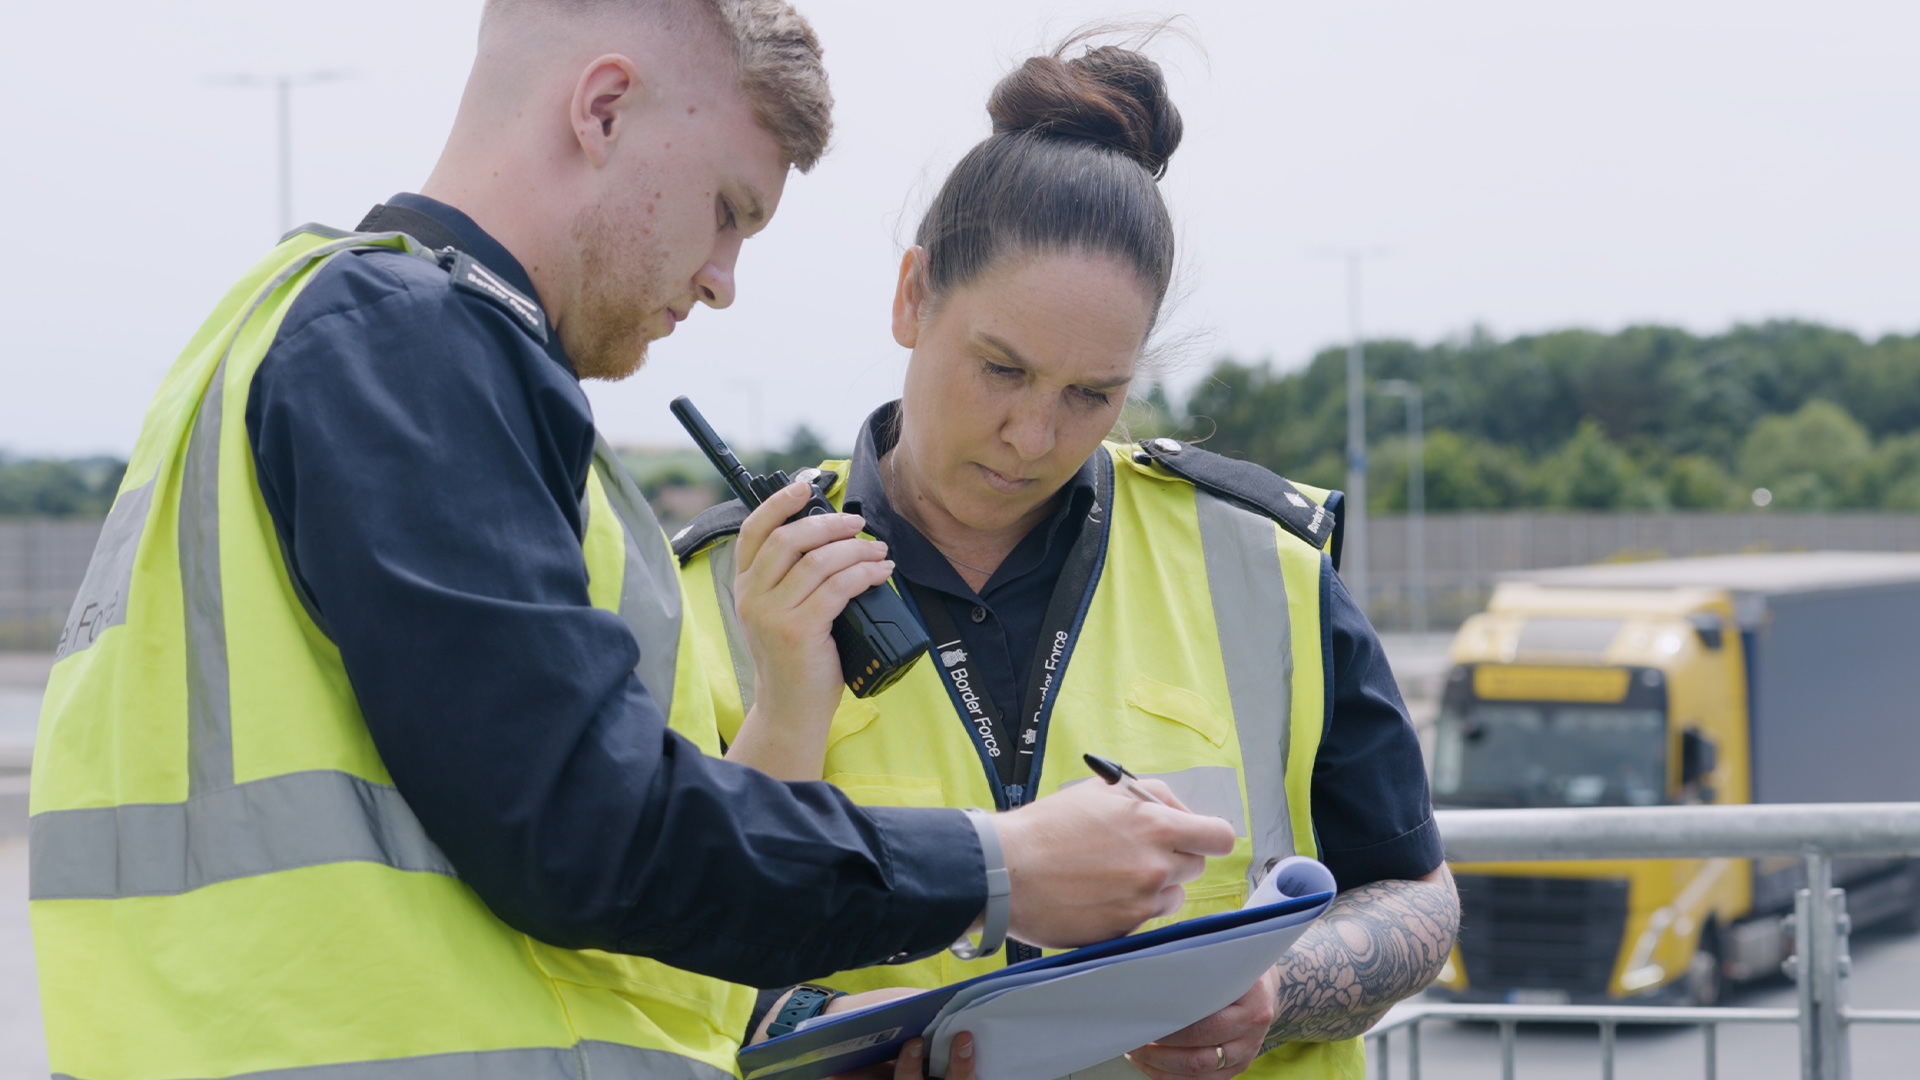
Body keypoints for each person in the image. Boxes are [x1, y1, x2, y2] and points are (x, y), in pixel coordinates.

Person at [27, 3, 1238, 1078]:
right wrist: (996, 866)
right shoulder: (408, 344)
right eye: (728, 209)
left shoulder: (282, 331)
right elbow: (583, 830)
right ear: (603, 107)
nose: (721, 281)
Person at [674, 36, 1462, 1077]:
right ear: (912, 297)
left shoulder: (1260, 562)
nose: (1033, 436)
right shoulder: (716, 592)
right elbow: (666, 955)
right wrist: (831, 1029)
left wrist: (1277, 993)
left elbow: (1415, 893)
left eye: (1093, 393)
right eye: (1001, 369)